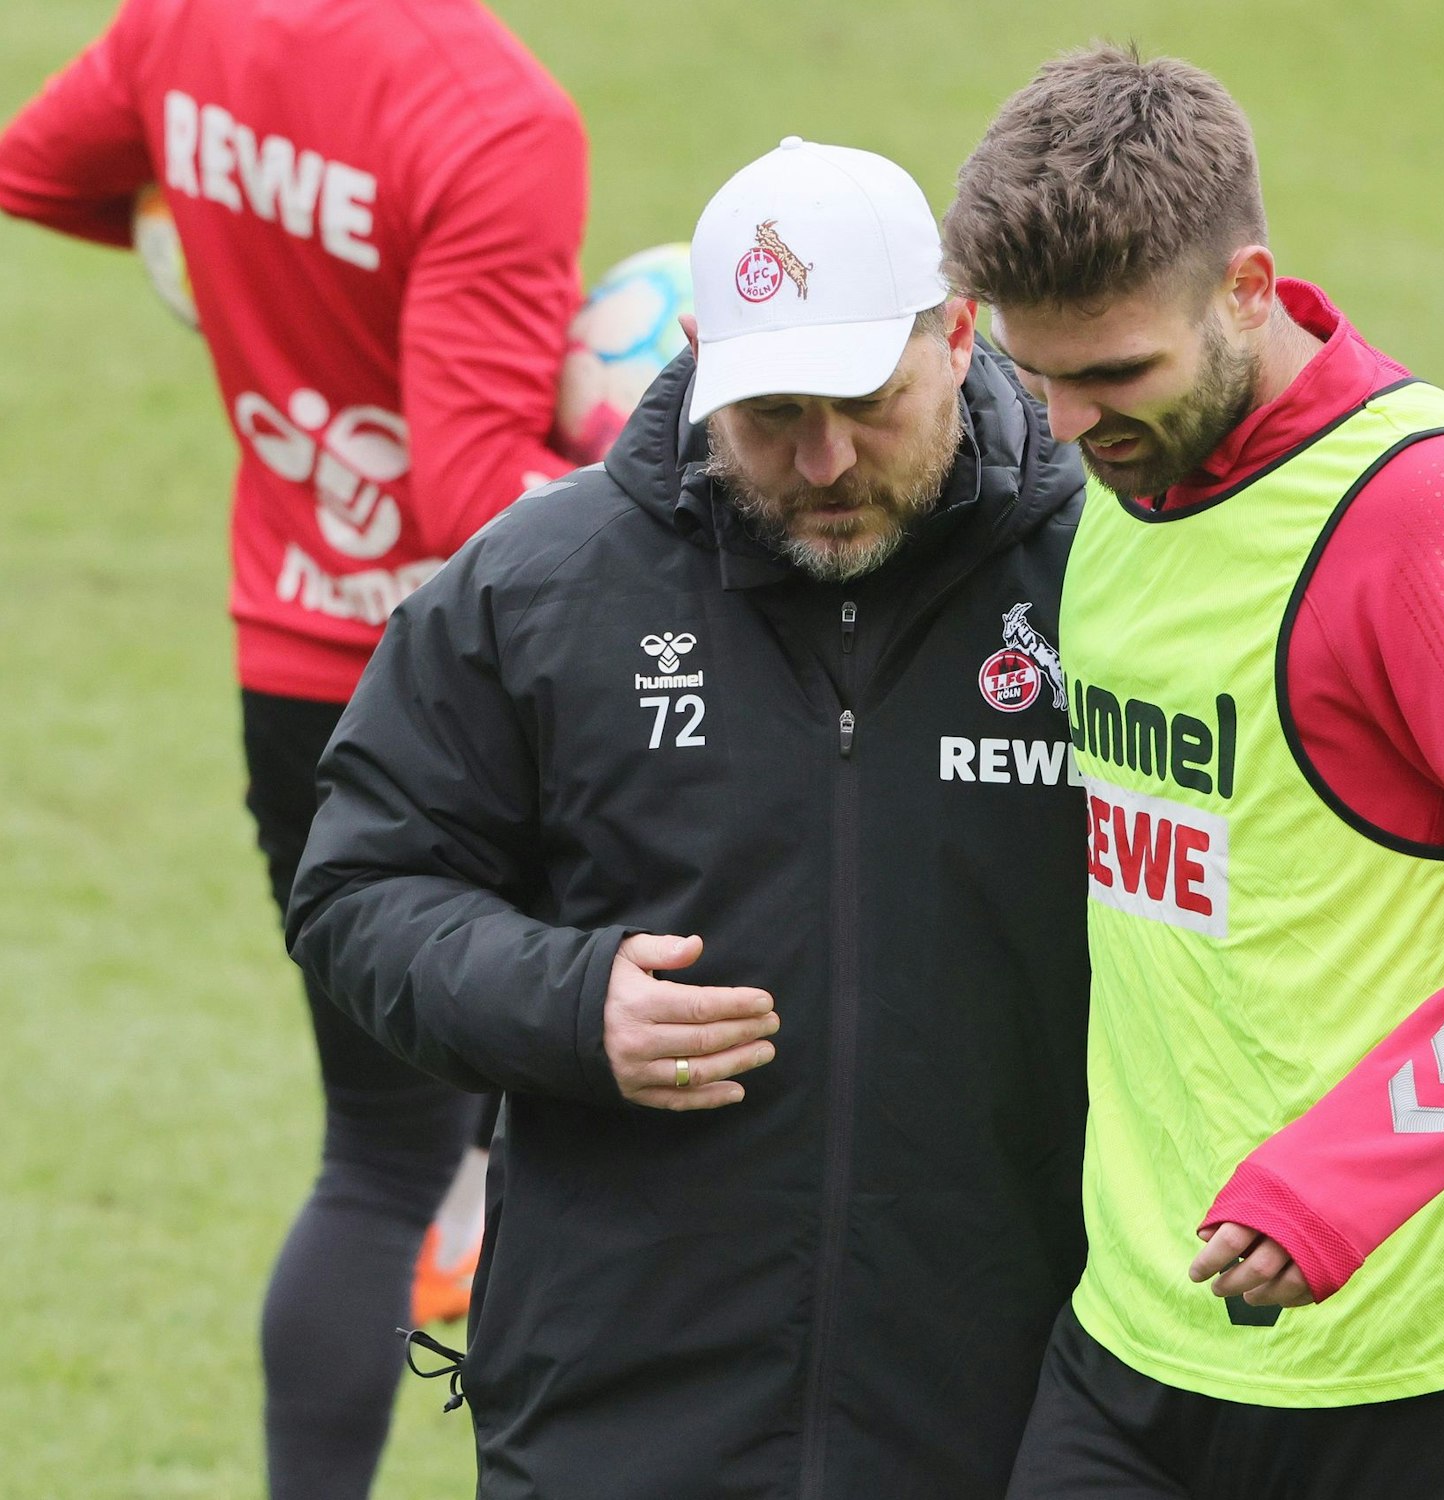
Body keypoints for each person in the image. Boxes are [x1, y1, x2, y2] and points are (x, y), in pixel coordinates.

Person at [285, 137, 1094, 1499]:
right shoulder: (538, 588)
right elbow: (360, 891)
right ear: (706, 355)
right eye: (772, 413)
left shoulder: (1114, 579)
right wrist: (566, 998)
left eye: (864, 401)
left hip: (1011, 1408)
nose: (823, 460)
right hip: (620, 1408)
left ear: (958, 338)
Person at [941, 46, 1444, 1498]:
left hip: (1431, 1366)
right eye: (1036, 377)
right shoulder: (1114, 480)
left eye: (1114, 374)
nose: (1071, 426)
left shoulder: (1442, 513)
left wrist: (1338, 1181)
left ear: (1249, 285)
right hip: (1136, 1346)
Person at [0, 2, 586, 1493]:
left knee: (378, 1161)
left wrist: (215, 242)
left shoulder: (186, 23)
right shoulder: (496, 117)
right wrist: (665, 474)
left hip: (301, 679)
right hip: (495, 700)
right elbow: (466, 489)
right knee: (585, 1162)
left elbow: (40, 167)